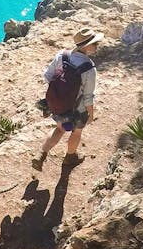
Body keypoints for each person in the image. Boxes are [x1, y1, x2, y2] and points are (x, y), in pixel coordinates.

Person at [31, 26, 102, 170]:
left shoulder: (62, 56)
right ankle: (70, 157)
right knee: (77, 132)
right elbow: (88, 96)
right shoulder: (89, 68)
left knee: (59, 129)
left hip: (58, 106)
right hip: (77, 109)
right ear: (87, 46)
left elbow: (48, 77)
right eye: (95, 43)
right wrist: (91, 114)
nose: (97, 45)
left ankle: (41, 154)